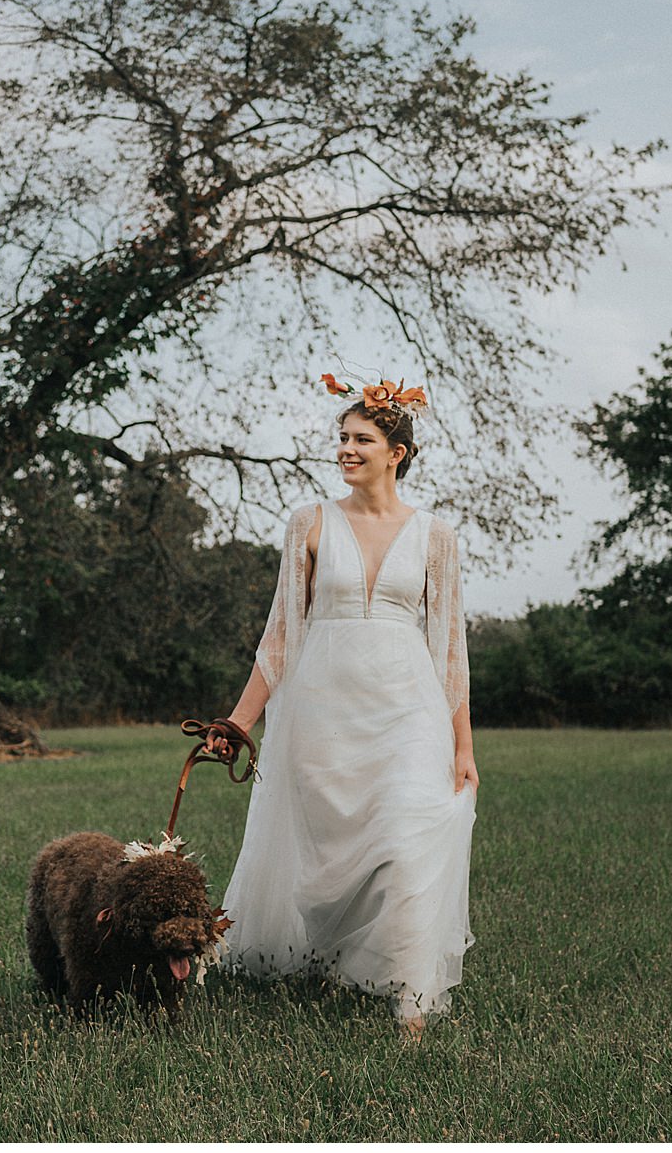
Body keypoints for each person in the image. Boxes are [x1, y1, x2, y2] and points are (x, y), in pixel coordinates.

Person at [203, 376, 476, 1036]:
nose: (346, 449)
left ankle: (412, 999)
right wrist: (240, 719)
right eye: (342, 439)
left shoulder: (436, 536)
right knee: (327, 855)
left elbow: (449, 650)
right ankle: (332, 958)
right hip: (320, 707)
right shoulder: (310, 523)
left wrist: (463, 746)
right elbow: (280, 633)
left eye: (362, 439)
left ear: (397, 453)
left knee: (411, 833)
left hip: (409, 709)